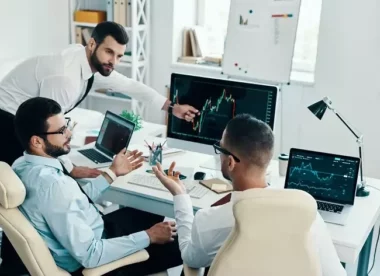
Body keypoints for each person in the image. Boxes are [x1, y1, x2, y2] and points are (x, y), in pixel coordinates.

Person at [152, 114, 347, 276]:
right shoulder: (305, 213)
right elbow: (336, 274)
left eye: (219, 148)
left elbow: (189, 257)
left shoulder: (211, 220)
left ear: (230, 163)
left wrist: (180, 195)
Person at [10, 97, 183, 276]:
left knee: (149, 210)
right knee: (186, 244)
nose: (70, 134)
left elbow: (72, 201)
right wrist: (150, 235)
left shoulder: (22, 165)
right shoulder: (54, 186)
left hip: (95, 229)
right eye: (61, 131)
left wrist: (112, 173)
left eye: (67, 124)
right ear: (37, 141)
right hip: (96, 261)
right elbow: (91, 255)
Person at [0, 20, 199, 175]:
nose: (113, 61)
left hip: (23, 121)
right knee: (17, 192)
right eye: (109, 52)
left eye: (119, 56)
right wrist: (70, 169)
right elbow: (50, 131)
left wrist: (173, 107)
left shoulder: (87, 62)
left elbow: (129, 85)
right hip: (6, 124)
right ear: (92, 44)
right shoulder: (65, 78)